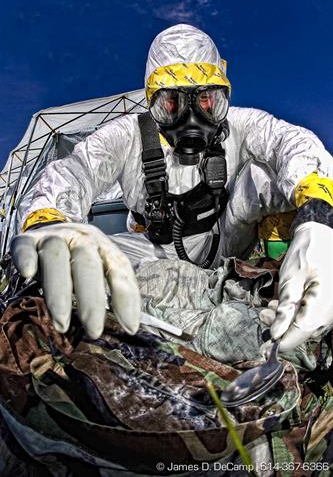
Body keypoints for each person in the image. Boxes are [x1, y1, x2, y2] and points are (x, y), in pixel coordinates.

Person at [11, 24, 333, 353]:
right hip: (156, 249)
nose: (191, 118)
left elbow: (290, 141)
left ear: (224, 98)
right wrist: (49, 223)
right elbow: (75, 171)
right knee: (91, 260)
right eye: (171, 103)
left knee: (268, 174)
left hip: (229, 236)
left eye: (208, 100)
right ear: (152, 101)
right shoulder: (126, 136)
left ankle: (310, 260)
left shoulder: (241, 125)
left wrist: (320, 217)